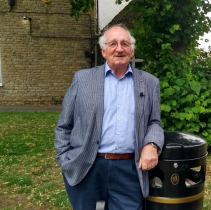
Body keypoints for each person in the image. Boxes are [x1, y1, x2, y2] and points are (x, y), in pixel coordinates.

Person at [54, 23, 164, 210]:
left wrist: (152, 144)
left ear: (132, 51)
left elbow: (154, 122)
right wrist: (64, 159)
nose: (119, 49)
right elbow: (64, 125)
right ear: (104, 51)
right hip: (87, 166)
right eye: (113, 44)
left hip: (129, 169)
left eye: (125, 44)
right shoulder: (83, 79)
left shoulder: (149, 83)